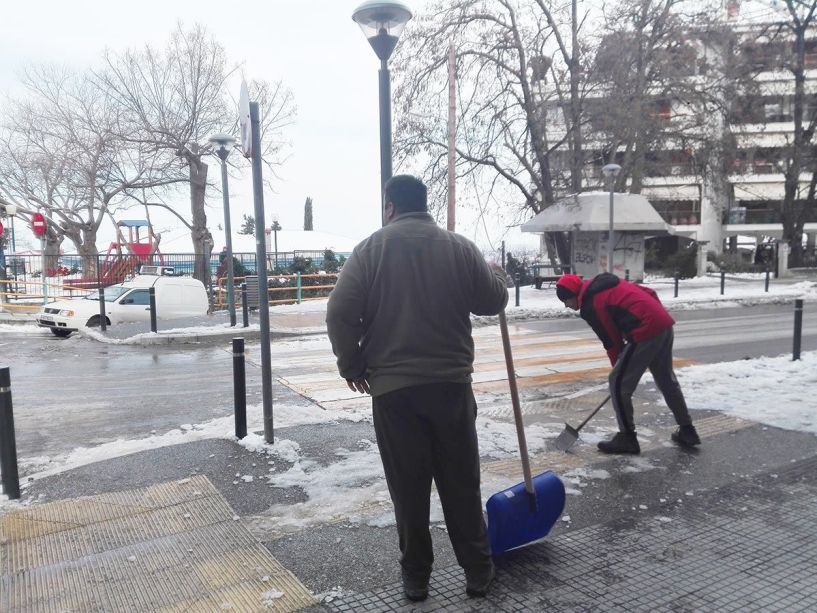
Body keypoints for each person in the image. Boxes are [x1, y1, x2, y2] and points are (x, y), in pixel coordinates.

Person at [326, 175, 508, 602]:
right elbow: (491, 301)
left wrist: (351, 364)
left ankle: (416, 579)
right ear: (423, 204)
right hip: (450, 387)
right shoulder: (459, 247)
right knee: (461, 482)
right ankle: (478, 571)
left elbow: (338, 312)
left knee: (408, 489)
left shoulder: (371, 249)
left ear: (390, 206)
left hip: (394, 393)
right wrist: (496, 278)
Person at [555, 272, 700, 454]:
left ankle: (627, 438)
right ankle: (688, 430)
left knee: (617, 383)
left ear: (574, 295)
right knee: (665, 379)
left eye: (566, 301)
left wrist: (618, 366)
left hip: (644, 331)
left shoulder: (591, 304)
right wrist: (655, 316)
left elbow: (610, 339)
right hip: (662, 323)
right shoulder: (607, 282)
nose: (567, 306)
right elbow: (649, 292)